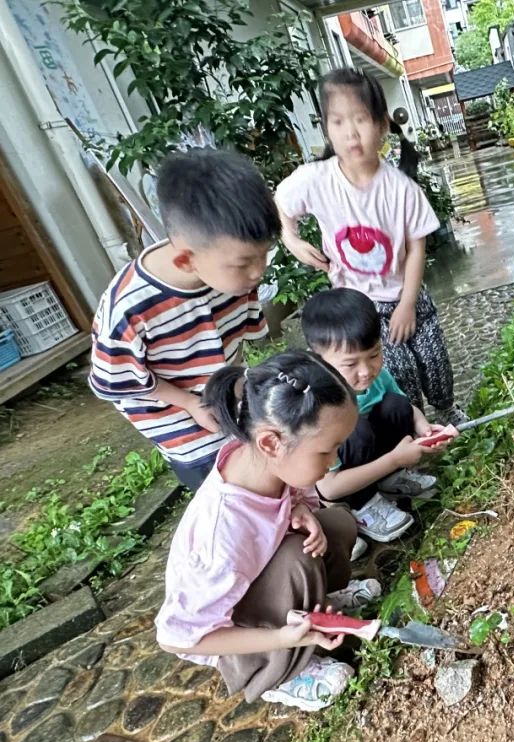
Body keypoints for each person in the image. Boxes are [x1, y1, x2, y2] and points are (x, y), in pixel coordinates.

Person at [155, 350, 382, 712]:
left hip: (262, 578)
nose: (334, 461)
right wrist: (278, 637)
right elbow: (176, 638)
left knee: (335, 522)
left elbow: (291, 502)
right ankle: (278, 671)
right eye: (327, 451)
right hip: (229, 633)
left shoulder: (267, 463)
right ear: (271, 442)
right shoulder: (223, 534)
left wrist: (301, 509)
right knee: (297, 560)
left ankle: (313, 610)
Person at [276, 67, 467, 426]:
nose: (350, 133)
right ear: (326, 128)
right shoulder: (315, 181)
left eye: (360, 119)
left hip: (408, 294)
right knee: (398, 372)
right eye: (337, 122)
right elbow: (282, 207)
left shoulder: (402, 189)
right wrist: (292, 239)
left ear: (381, 125)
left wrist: (408, 304)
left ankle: (447, 408)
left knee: (434, 359)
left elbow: (415, 249)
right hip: (360, 307)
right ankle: (413, 428)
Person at [88, 149, 276, 491]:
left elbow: (234, 347)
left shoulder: (233, 275)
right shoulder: (129, 309)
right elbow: (118, 383)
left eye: (263, 255)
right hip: (175, 418)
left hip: (226, 391)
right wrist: (191, 403)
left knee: (260, 466)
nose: (259, 271)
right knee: (221, 488)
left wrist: (232, 392)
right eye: (246, 262)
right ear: (186, 261)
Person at [301, 288, 457, 549]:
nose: (366, 371)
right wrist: (394, 459)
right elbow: (328, 489)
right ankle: (363, 506)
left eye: (374, 354)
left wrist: (423, 428)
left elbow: (406, 408)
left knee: (396, 405)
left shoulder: (377, 376)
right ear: (318, 360)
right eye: (350, 364)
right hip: (342, 489)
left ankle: (390, 481)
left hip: (376, 457)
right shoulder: (317, 408)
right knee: (356, 429)